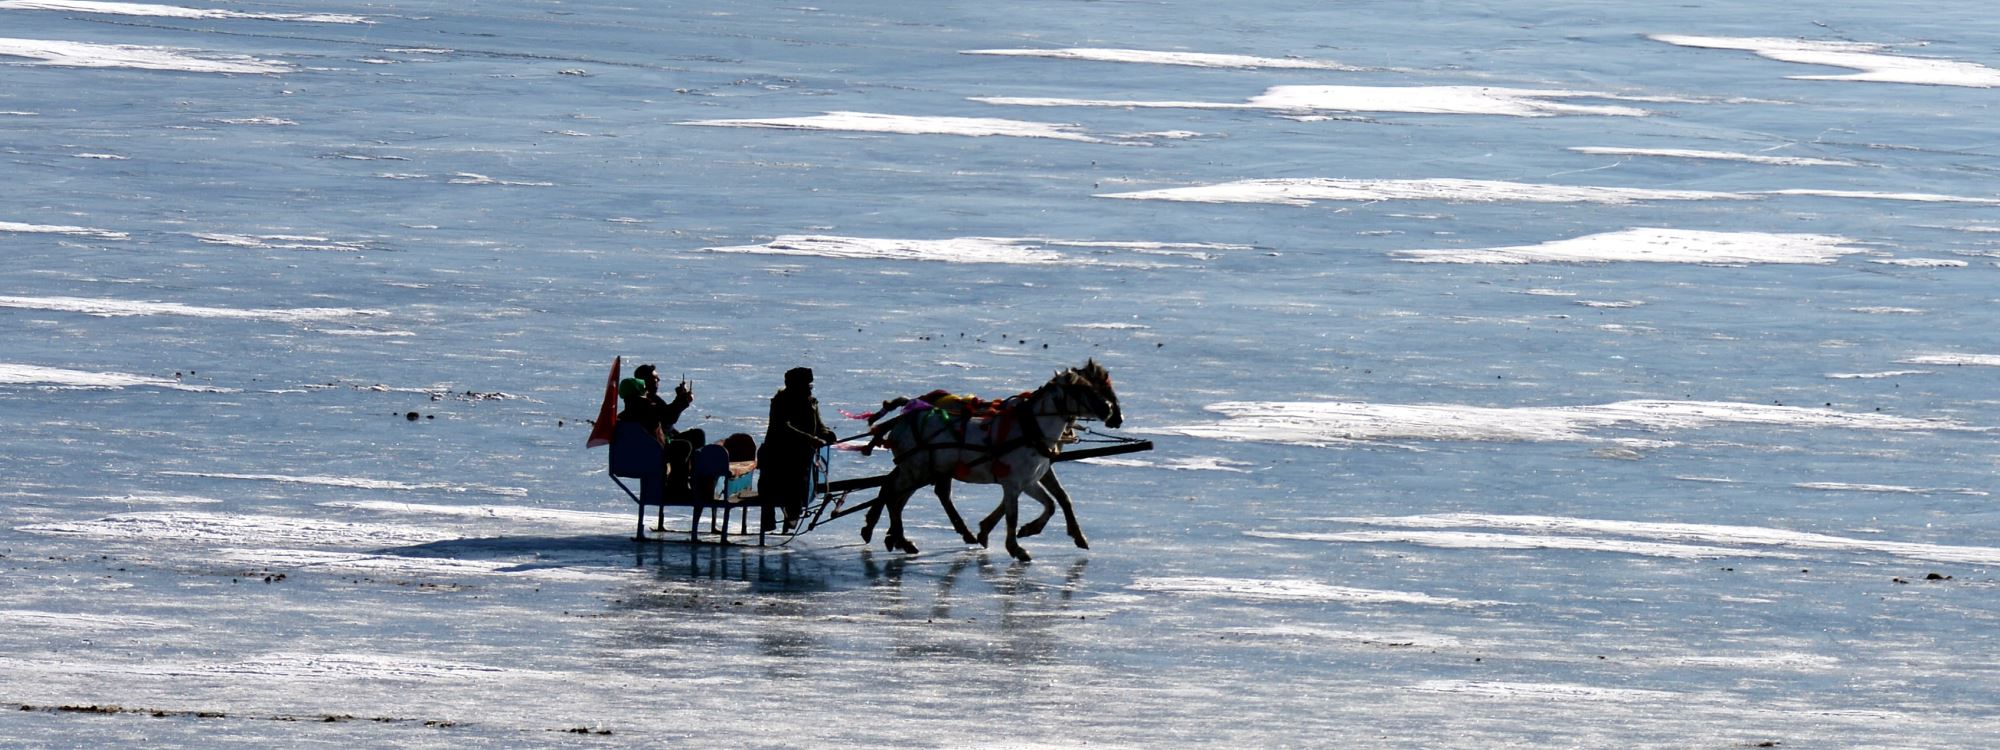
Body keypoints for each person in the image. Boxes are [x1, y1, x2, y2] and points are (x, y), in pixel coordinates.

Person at [760, 366, 837, 531]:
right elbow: (784, 427)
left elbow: (819, 425)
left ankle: (793, 512)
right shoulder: (781, 402)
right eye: (806, 385)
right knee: (786, 480)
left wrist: (826, 434)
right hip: (778, 453)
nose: (810, 388)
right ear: (794, 385)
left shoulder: (812, 402)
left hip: (802, 453)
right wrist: (810, 438)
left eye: (810, 385)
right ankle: (775, 517)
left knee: (801, 478)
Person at [617, 363, 692, 446]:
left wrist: (680, 398)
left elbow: (665, 417)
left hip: (657, 442)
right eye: (655, 378)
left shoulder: (629, 409)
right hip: (657, 446)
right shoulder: (645, 405)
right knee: (691, 441)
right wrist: (683, 399)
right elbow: (668, 417)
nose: (658, 380)